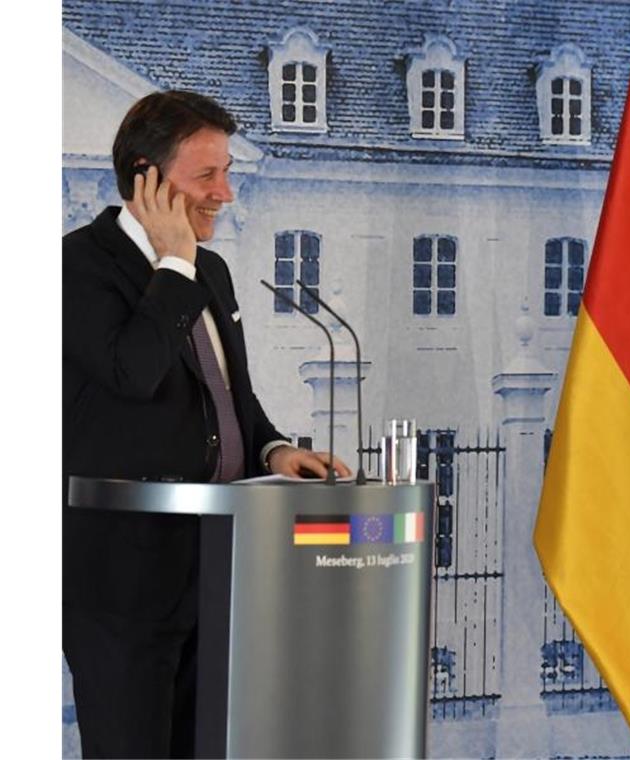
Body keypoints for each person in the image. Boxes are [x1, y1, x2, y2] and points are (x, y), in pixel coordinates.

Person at [63, 90, 351, 758]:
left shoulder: (209, 270)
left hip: (220, 570)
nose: (225, 193)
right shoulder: (75, 266)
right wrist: (172, 263)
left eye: (227, 173)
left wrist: (274, 449)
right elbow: (132, 372)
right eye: (207, 176)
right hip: (122, 585)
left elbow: (228, 394)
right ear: (147, 179)